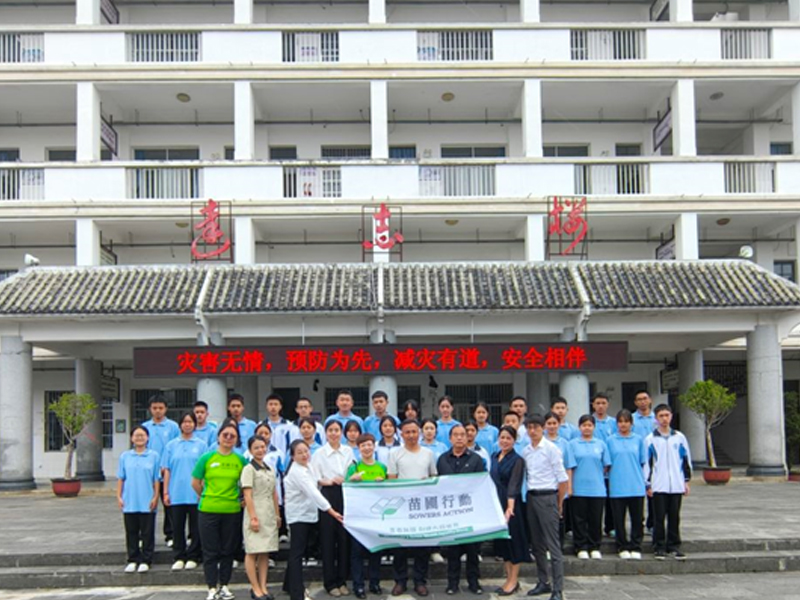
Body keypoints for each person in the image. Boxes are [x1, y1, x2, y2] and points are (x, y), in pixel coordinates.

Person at [192, 422, 249, 600]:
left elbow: (246, 483)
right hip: (208, 509)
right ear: (218, 437)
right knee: (210, 551)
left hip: (232, 510)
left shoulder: (240, 460)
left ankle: (224, 585)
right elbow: (195, 482)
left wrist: (242, 499)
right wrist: (206, 496)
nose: (228, 438)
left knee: (227, 550)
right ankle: (211, 587)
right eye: (225, 435)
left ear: (237, 439)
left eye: (233, 436)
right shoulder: (207, 458)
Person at [283, 440, 344, 600]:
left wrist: (330, 481)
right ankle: (297, 593)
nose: (304, 455)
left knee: (299, 551)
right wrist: (332, 511)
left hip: (308, 514)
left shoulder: (308, 466)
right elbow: (313, 492)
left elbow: (317, 479)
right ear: (292, 456)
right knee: (297, 553)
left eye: (306, 451)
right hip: (298, 517)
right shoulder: (297, 472)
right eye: (299, 453)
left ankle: (288, 585)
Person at [388, 419, 437, 597]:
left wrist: (427, 482)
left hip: (422, 507)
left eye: (414, 432)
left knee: (422, 547)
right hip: (402, 506)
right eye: (407, 432)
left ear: (419, 433)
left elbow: (434, 477)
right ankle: (400, 581)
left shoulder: (428, 453)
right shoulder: (395, 453)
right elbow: (391, 479)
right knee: (400, 546)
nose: (411, 435)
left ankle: (420, 581)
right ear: (401, 434)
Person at [522, 415, 568, 600]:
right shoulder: (526, 451)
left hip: (548, 496)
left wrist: (559, 503)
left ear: (543, 428)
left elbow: (563, 479)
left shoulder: (551, 449)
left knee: (553, 545)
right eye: (529, 427)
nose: (532, 431)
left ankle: (558, 589)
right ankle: (543, 582)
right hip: (531, 497)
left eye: (536, 427)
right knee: (537, 544)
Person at [437, 425, 486, 595]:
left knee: (473, 550)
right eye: (456, 435)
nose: (459, 438)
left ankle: (474, 582)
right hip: (451, 512)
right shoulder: (442, 459)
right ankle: (452, 583)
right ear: (450, 438)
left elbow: (481, 483)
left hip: (470, 511)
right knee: (453, 551)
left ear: (467, 438)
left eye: (462, 435)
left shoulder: (476, 459)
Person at [311, 420, 355, 597]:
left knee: (344, 539)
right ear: (326, 433)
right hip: (327, 494)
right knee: (328, 539)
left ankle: (342, 580)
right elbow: (315, 477)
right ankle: (330, 583)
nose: (334, 433)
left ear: (341, 432)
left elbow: (352, 471)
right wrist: (328, 481)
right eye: (330, 430)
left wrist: (346, 479)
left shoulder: (348, 451)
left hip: (345, 493)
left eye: (337, 430)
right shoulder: (319, 453)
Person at [643, 404, 691, 560]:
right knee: (658, 517)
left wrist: (685, 481)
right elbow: (646, 463)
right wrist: (647, 483)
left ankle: (674, 545)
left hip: (676, 484)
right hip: (658, 484)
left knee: (674, 516)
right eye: (661, 416)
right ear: (656, 418)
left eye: (667, 415)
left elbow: (686, 459)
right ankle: (659, 546)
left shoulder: (679, 437)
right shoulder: (650, 439)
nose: (664, 419)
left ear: (671, 416)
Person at [162, 412, 207, 571]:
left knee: (196, 527)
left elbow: (204, 471)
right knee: (177, 527)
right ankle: (179, 556)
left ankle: (194, 556)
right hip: (176, 492)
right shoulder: (171, 445)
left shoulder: (201, 445)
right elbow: (167, 470)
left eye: (190, 422)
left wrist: (202, 491)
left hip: (195, 494)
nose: (187, 425)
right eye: (185, 422)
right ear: (180, 425)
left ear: (195, 424)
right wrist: (165, 492)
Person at [346, 434, 387, 599]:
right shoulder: (354, 467)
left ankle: (375, 583)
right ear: (359, 448)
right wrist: (351, 480)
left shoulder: (382, 467)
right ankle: (358, 585)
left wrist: (383, 482)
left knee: (376, 551)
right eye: (363, 446)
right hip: (358, 517)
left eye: (369, 445)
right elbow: (346, 488)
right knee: (357, 552)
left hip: (376, 517)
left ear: (374, 446)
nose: (367, 448)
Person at [490, 426, 529, 596]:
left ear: (514, 441)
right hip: (496, 504)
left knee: (514, 543)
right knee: (503, 544)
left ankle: (513, 581)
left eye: (508, 438)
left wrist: (510, 507)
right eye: (502, 437)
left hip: (511, 506)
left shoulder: (517, 460)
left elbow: (514, 484)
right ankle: (508, 578)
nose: (504, 441)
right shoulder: (494, 456)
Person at [241, 435, 281, 600]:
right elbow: (247, 495)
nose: (260, 450)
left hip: (269, 513)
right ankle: (255, 588)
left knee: (265, 551)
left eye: (263, 447)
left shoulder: (269, 468)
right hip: (255, 511)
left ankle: (263, 586)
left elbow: (274, 493)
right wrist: (253, 517)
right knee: (252, 551)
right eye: (256, 447)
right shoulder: (249, 469)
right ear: (250, 450)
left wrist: (277, 514)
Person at [117, 425, 160, 573]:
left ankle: (146, 559)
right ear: (131, 438)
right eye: (136, 435)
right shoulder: (125, 456)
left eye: (142, 435)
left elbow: (156, 479)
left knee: (147, 532)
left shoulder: (154, 456)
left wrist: (156, 497)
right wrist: (119, 496)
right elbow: (121, 478)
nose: (139, 438)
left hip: (147, 500)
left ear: (147, 438)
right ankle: (133, 559)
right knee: (131, 532)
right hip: (130, 500)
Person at [568, 415, 610, 560]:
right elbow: (570, 467)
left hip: (597, 488)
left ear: (594, 427)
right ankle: (580, 547)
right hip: (578, 488)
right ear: (579, 427)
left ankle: (594, 546)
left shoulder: (601, 444)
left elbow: (606, 465)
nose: (587, 428)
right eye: (584, 425)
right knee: (579, 520)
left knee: (595, 519)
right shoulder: (572, 444)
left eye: (589, 425)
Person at [606, 409, 646, 560]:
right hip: (617, 485)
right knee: (618, 519)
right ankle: (622, 545)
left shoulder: (638, 440)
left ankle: (636, 545)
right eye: (620, 422)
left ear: (631, 423)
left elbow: (643, 462)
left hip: (636, 485)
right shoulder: (610, 440)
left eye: (626, 421)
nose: (623, 425)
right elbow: (607, 463)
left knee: (637, 519)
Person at [141, 393, 180, 546]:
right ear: (150, 409)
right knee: (147, 505)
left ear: (166, 409)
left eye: (161, 408)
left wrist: (166, 466)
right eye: (155, 408)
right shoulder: (145, 427)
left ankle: (170, 535)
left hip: (167, 473)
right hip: (149, 473)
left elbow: (175, 448)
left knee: (169, 505)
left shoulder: (173, 427)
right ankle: (144, 537)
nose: (158, 411)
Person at [543, 411, 574, 543]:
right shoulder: (540, 442)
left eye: (554, 423)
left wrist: (569, 487)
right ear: (544, 425)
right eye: (549, 423)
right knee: (545, 518)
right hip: (544, 486)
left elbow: (568, 466)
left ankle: (558, 545)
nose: (551, 426)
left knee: (559, 516)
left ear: (559, 424)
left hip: (560, 486)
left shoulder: (565, 444)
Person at [590, 394, 616, 537]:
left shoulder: (614, 423)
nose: (600, 406)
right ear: (593, 405)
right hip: (594, 468)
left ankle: (610, 526)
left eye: (603, 403)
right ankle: (594, 528)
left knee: (611, 499)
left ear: (608, 405)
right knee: (595, 501)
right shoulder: (589, 422)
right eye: (598, 403)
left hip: (611, 468)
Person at [632, 390, 657, 533]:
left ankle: (652, 523)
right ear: (635, 402)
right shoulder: (631, 419)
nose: (643, 402)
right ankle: (638, 523)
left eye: (645, 398)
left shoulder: (657, 418)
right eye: (639, 399)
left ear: (650, 400)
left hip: (654, 460)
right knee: (638, 494)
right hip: (636, 460)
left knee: (653, 493)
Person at [263, 393, 294, 458]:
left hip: (284, 459)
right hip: (266, 459)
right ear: (266, 406)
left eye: (276, 404)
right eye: (270, 404)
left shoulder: (289, 425)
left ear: (280, 406)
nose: (273, 407)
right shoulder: (261, 425)